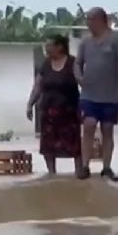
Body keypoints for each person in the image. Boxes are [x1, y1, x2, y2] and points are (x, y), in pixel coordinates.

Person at [74, 7, 118, 181]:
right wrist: (79, 78)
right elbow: (77, 63)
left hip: (110, 94)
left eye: (90, 20)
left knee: (107, 129)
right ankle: (84, 166)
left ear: (100, 20)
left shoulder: (117, 40)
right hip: (89, 93)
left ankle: (106, 167)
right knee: (88, 125)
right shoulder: (85, 42)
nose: (88, 24)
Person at [26, 34, 81, 175]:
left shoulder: (72, 63)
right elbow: (37, 86)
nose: (46, 48)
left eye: (49, 45)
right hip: (48, 110)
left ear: (59, 47)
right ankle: (52, 173)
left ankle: (79, 172)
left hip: (69, 110)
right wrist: (30, 104)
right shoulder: (45, 64)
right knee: (48, 144)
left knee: (74, 144)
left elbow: (83, 83)